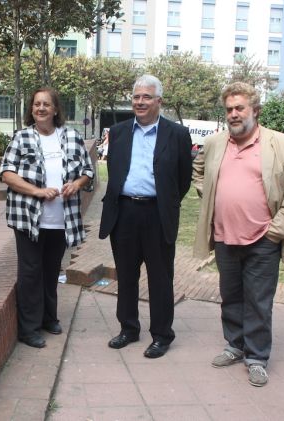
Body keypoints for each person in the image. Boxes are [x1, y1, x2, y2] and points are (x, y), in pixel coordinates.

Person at [191, 82, 284, 387]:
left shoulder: (281, 144)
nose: (233, 114)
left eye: (239, 108)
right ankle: (235, 344)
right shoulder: (216, 143)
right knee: (231, 296)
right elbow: (198, 171)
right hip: (224, 237)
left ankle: (256, 357)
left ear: (256, 110)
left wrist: (276, 231)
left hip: (263, 239)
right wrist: (209, 195)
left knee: (258, 300)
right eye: (228, 109)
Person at [98, 74, 192, 359]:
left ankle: (162, 335)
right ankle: (128, 328)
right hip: (124, 213)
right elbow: (114, 170)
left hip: (157, 214)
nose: (139, 102)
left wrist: (166, 202)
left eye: (146, 97)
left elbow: (183, 179)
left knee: (160, 277)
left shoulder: (177, 134)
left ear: (158, 101)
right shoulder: (120, 131)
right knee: (126, 275)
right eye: (136, 97)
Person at [0, 87, 94, 348]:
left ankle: (49, 317)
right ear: (32, 109)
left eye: (46, 104)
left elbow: (88, 171)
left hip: (61, 219)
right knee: (30, 272)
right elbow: (6, 173)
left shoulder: (71, 136)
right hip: (28, 218)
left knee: (51, 271)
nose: (41, 108)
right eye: (36, 104)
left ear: (55, 109)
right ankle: (28, 329)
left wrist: (76, 184)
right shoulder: (21, 138)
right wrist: (38, 191)